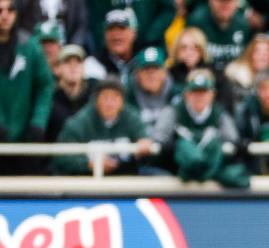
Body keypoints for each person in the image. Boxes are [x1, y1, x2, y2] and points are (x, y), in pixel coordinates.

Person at [153, 69, 250, 188]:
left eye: (203, 92)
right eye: (195, 92)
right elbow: (159, 140)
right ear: (187, 94)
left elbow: (233, 140)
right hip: (177, 174)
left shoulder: (219, 114)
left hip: (212, 171)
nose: (199, 97)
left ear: (212, 95)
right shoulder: (173, 112)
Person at [52, 76, 154, 176]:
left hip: (125, 178)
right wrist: (89, 164)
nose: (109, 103)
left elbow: (143, 138)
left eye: (115, 97)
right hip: (88, 180)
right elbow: (61, 157)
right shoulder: (80, 122)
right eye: (105, 97)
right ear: (96, 100)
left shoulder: (131, 117)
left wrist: (145, 142)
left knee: (160, 178)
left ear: (122, 101)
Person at [0, 0, 54, 176]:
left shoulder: (30, 46)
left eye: (10, 9)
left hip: (26, 138)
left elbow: (45, 85)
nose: (5, 15)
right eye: (0, 10)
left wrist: (38, 122)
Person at [186, 0, 250, 72]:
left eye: (229, 1)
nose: (225, 5)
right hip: (203, 74)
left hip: (233, 76)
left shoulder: (243, 24)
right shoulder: (197, 21)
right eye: (220, 1)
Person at [46, 45, 92, 143]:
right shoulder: (48, 98)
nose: (73, 67)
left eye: (78, 62)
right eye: (67, 62)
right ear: (57, 69)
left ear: (83, 68)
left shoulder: (93, 97)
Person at [126, 47, 176, 137]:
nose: (151, 75)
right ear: (137, 74)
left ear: (164, 73)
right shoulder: (127, 95)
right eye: (146, 70)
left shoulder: (175, 94)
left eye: (155, 69)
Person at [83, 9, 138, 82]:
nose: (116, 35)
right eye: (111, 29)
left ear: (133, 34)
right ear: (104, 35)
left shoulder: (143, 61)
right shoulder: (94, 63)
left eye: (121, 28)